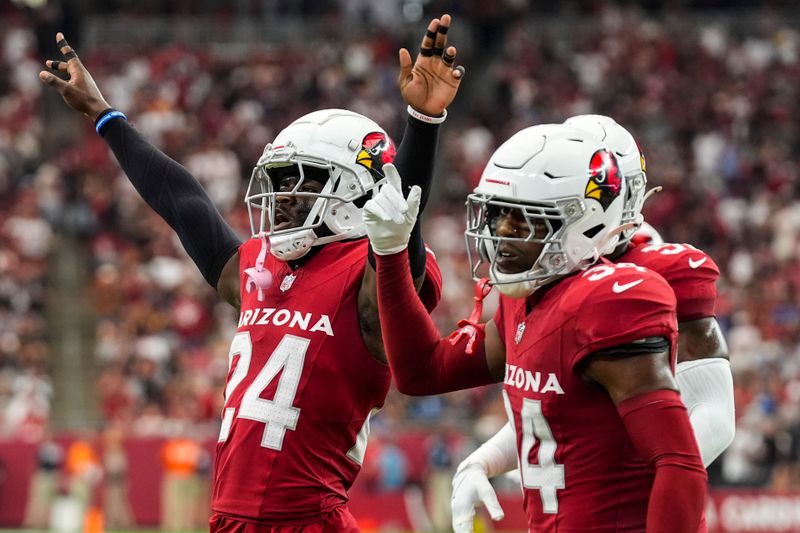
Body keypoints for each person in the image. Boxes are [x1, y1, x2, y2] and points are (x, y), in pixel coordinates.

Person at [39, 15, 465, 530]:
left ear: (359, 191)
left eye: (300, 182)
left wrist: (421, 123)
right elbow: (184, 204)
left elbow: (401, 243)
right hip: (231, 520)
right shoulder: (261, 268)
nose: (282, 198)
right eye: (278, 181)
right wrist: (106, 116)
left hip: (308, 520)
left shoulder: (371, 282)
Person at [363, 123, 708, 532]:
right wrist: (390, 254)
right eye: (497, 215)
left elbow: (679, 462)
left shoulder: (610, 302)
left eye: (524, 221)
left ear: (585, 223)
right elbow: (422, 372)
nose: (501, 235)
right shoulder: (522, 298)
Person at [449, 115, 735, 532]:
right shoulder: (545, 273)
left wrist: (629, 481)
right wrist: (483, 460)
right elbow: (552, 417)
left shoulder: (657, 274)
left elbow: (715, 418)